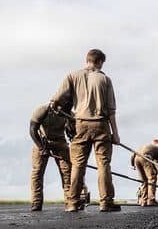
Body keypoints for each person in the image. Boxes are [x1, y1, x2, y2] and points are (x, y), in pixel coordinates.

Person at [51, 48, 120, 212]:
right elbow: (111, 110)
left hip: (80, 124)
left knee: (78, 165)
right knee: (103, 164)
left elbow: (54, 101)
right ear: (100, 62)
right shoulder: (105, 79)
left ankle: (73, 202)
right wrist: (115, 133)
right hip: (101, 124)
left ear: (87, 60)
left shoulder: (72, 76)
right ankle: (106, 202)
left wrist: (69, 117)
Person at [28, 101, 88, 210]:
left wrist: (72, 129)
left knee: (68, 172)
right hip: (41, 140)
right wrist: (42, 148)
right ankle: (36, 202)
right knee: (37, 172)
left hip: (60, 141)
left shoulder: (70, 114)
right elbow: (32, 130)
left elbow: (76, 134)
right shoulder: (41, 110)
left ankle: (70, 201)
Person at [132, 130, 158, 206]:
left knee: (144, 181)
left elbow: (134, 154)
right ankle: (151, 200)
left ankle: (143, 201)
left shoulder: (149, 146)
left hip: (136, 158)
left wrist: (132, 165)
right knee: (152, 178)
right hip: (145, 158)